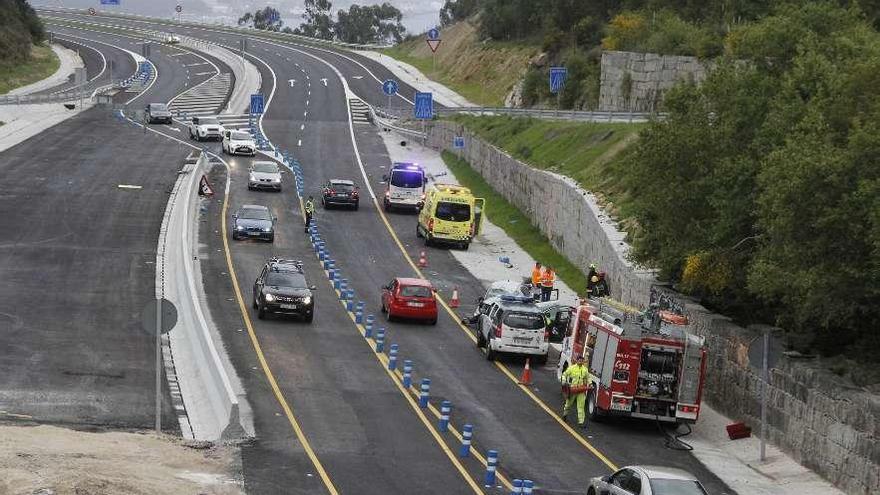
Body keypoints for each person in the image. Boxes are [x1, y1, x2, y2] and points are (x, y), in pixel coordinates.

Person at [561, 354, 591, 429]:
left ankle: (581, 422)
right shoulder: (572, 368)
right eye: (579, 360)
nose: (580, 361)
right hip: (572, 390)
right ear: (577, 360)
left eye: (582, 360)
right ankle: (565, 415)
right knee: (568, 404)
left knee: (580, 406)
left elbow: (588, 377)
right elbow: (564, 374)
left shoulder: (585, 369)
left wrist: (590, 383)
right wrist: (564, 381)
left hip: (581, 390)